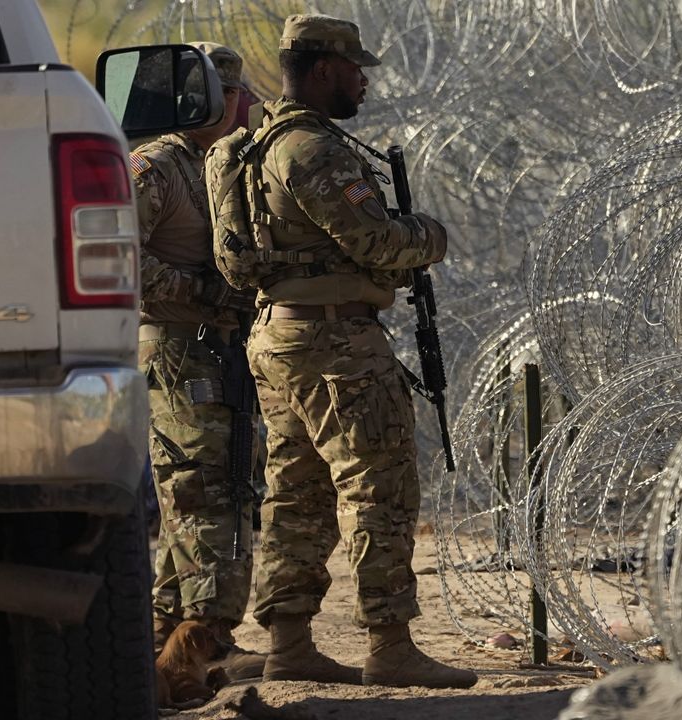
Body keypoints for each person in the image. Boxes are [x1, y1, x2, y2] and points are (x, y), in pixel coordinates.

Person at [226, 13, 477, 689]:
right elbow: (377, 242)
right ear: (322, 70)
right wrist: (429, 234)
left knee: (297, 493)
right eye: (353, 69)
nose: (362, 81)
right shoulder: (314, 150)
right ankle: (390, 644)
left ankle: (289, 643)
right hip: (335, 342)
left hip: (279, 334)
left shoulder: (252, 146)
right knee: (379, 487)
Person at [133, 41, 262, 679]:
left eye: (236, 94)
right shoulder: (155, 168)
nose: (239, 106)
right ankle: (207, 641)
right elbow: (115, 258)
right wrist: (205, 291)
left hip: (219, 348)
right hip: (178, 346)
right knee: (204, 493)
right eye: (227, 94)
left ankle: (167, 640)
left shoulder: (223, 165)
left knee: (207, 492)